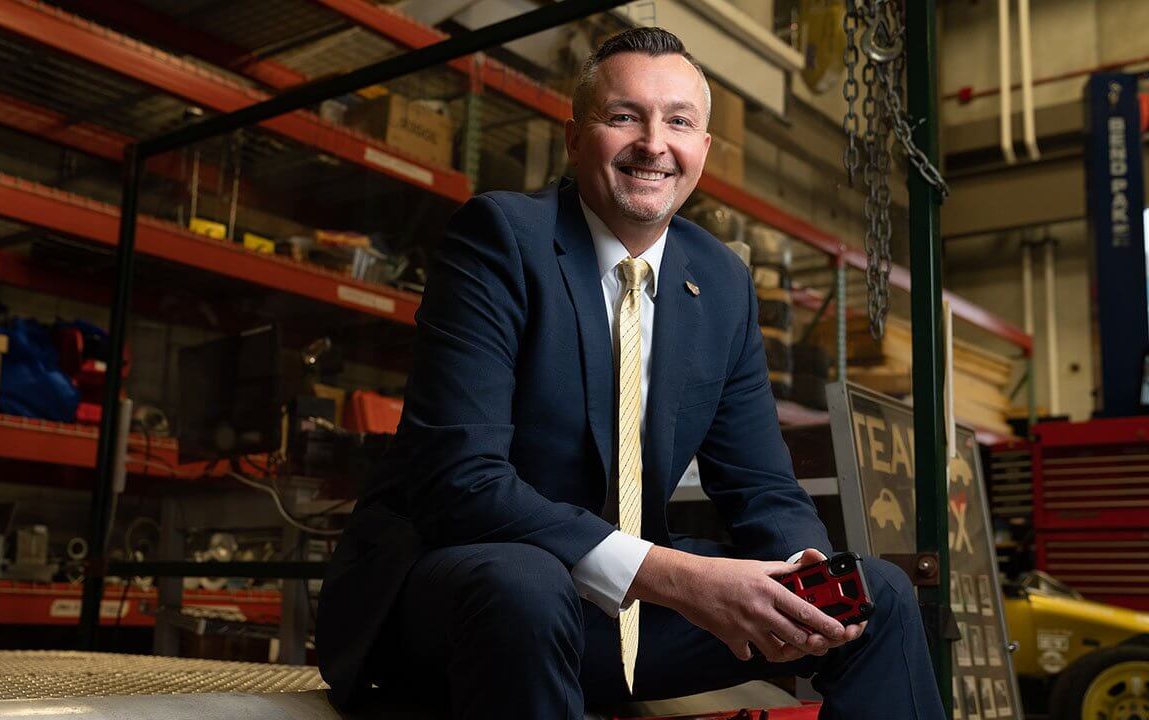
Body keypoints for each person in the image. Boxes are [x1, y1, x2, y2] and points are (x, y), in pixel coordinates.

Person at [317, 26, 946, 720]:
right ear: (575, 138)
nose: (654, 143)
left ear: (702, 148)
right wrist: (678, 578)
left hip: (621, 622)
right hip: (468, 601)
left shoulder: (721, 282)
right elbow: (461, 483)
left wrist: (802, 577)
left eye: (679, 121)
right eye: (624, 117)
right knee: (525, 583)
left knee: (878, 594)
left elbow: (764, 487)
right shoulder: (499, 239)